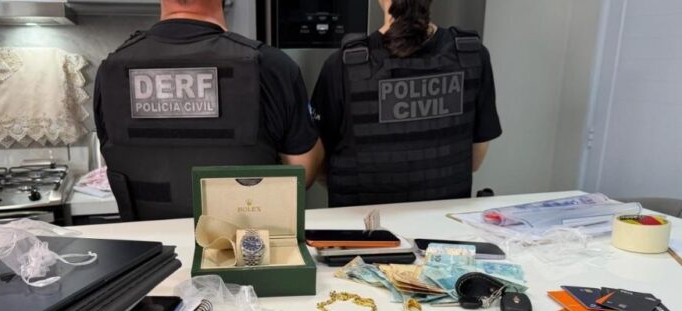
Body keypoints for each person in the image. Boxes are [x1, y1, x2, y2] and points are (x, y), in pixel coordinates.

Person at [94, 0, 324, 221]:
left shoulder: (109, 71)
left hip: (149, 246)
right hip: (246, 242)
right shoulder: (273, 66)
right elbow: (302, 172)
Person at [311, 0, 502, 207]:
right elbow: (474, 161)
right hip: (443, 226)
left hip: (361, 226)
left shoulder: (342, 66)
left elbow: (317, 166)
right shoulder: (472, 56)